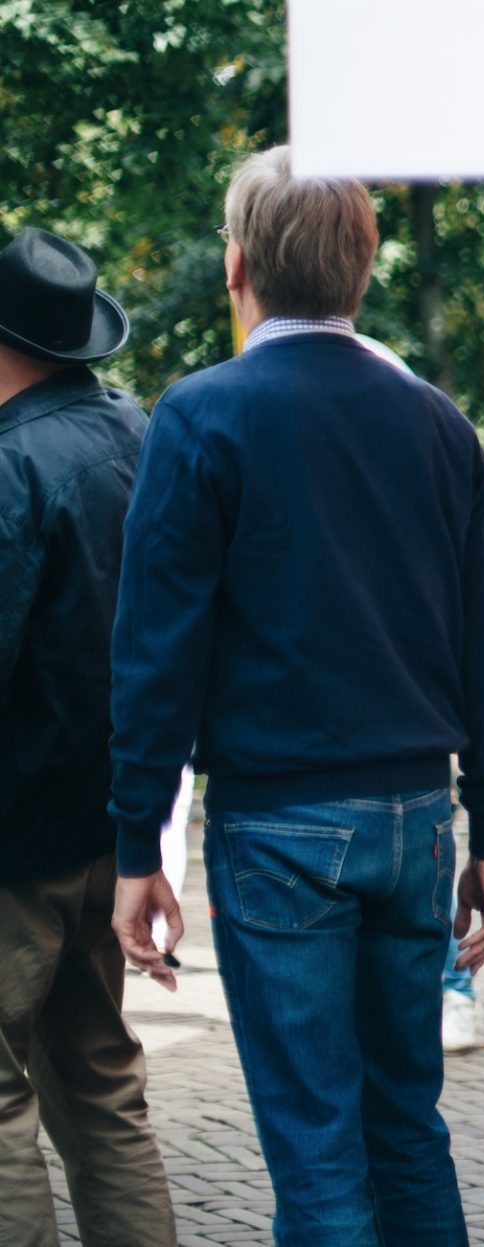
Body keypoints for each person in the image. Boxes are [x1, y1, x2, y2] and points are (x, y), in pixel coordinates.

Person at [106, 147, 484, 1246]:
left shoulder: (200, 416)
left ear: (237, 265)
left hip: (281, 819)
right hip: (417, 817)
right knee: (408, 1125)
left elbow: (156, 650)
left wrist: (137, 845)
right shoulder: (440, 424)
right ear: (366, 265)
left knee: (317, 1142)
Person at [0, 226, 175, 1247]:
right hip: (112, 830)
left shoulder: (11, 461)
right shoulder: (135, 432)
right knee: (103, 1087)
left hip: (16, 839)